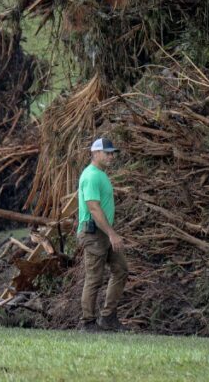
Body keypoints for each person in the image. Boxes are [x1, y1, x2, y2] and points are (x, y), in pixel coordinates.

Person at [77, 137, 128, 332]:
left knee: (121, 269)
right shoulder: (91, 176)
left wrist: (110, 234)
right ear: (95, 153)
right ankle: (88, 323)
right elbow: (94, 208)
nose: (111, 156)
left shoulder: (100, 174)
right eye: (107, 153)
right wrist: (112, 234)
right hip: (94, 233)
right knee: (94, 279)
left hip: (103, 233)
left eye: (112, 153)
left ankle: (108, 318)